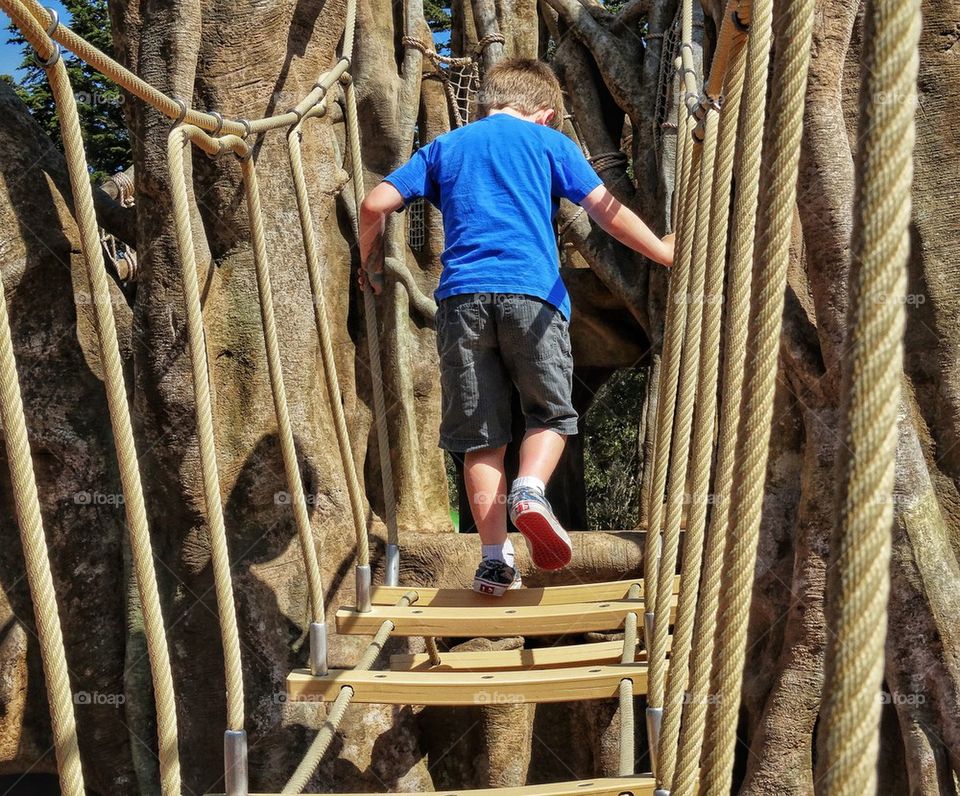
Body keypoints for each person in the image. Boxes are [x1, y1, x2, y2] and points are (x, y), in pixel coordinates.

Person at [358, 58, 674, 596]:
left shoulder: (447, 147)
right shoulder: (550, 144)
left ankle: (493, 559)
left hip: (460, 304)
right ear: (546, 113)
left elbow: (374, 203)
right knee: (550, 413)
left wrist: (369, 264)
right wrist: (663, 252)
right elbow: (604, 210)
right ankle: (530, 490)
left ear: (486, 104)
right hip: (533, 296)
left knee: (480, 438)